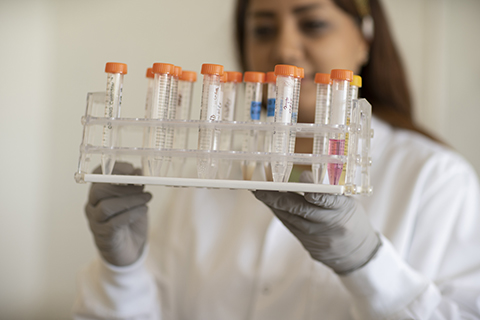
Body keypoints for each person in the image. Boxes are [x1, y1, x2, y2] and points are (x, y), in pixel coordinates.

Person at [74, 0, 480, 319]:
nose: (284, 47)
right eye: (263, 28)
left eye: (313, 23)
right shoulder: (209, 169)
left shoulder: (435, 178)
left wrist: (367, 264)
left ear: (365, 38)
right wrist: (121, 274)